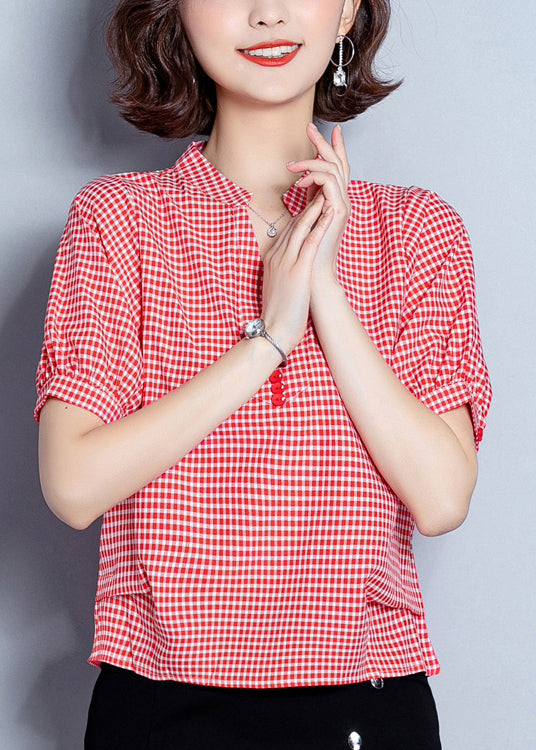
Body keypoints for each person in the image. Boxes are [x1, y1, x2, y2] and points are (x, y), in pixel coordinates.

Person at [35, 1, 492, 748]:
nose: (269, 13)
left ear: (346, 12)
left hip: (364, 704)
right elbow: (73, 485)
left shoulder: (416, 230)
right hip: (160, 702)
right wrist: (269, 340)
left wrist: (325, 291)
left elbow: (442, 498)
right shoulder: (118, 220)